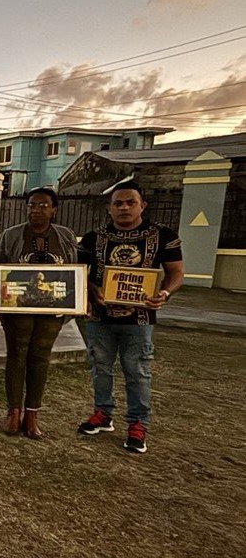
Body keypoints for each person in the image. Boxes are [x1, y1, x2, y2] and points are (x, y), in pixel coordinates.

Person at [77, 182, 183, 453]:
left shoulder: (162, 236)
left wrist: (165, 293)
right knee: (100, 367)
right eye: (118, 203)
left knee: (137, 372)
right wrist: (91, 289)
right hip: (100, 316)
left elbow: (175, 273)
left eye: (130, 203)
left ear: (142, 205)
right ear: (109, 208)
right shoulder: (94, 238)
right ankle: (102, 413)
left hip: (140, 318)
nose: (124, 207)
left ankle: (138, 424)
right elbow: (78, 271)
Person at [0, 187, 78, 439]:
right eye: (31, 205)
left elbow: (73, 270)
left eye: (42, 205)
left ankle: (32, 414)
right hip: (19, 307)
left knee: (40, 357)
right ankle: (13, 413)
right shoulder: (12, 235)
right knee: (16, 354)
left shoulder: (65, 236)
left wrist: (75, 300)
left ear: (53, 209)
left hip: (52, 309)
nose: (36, 210)